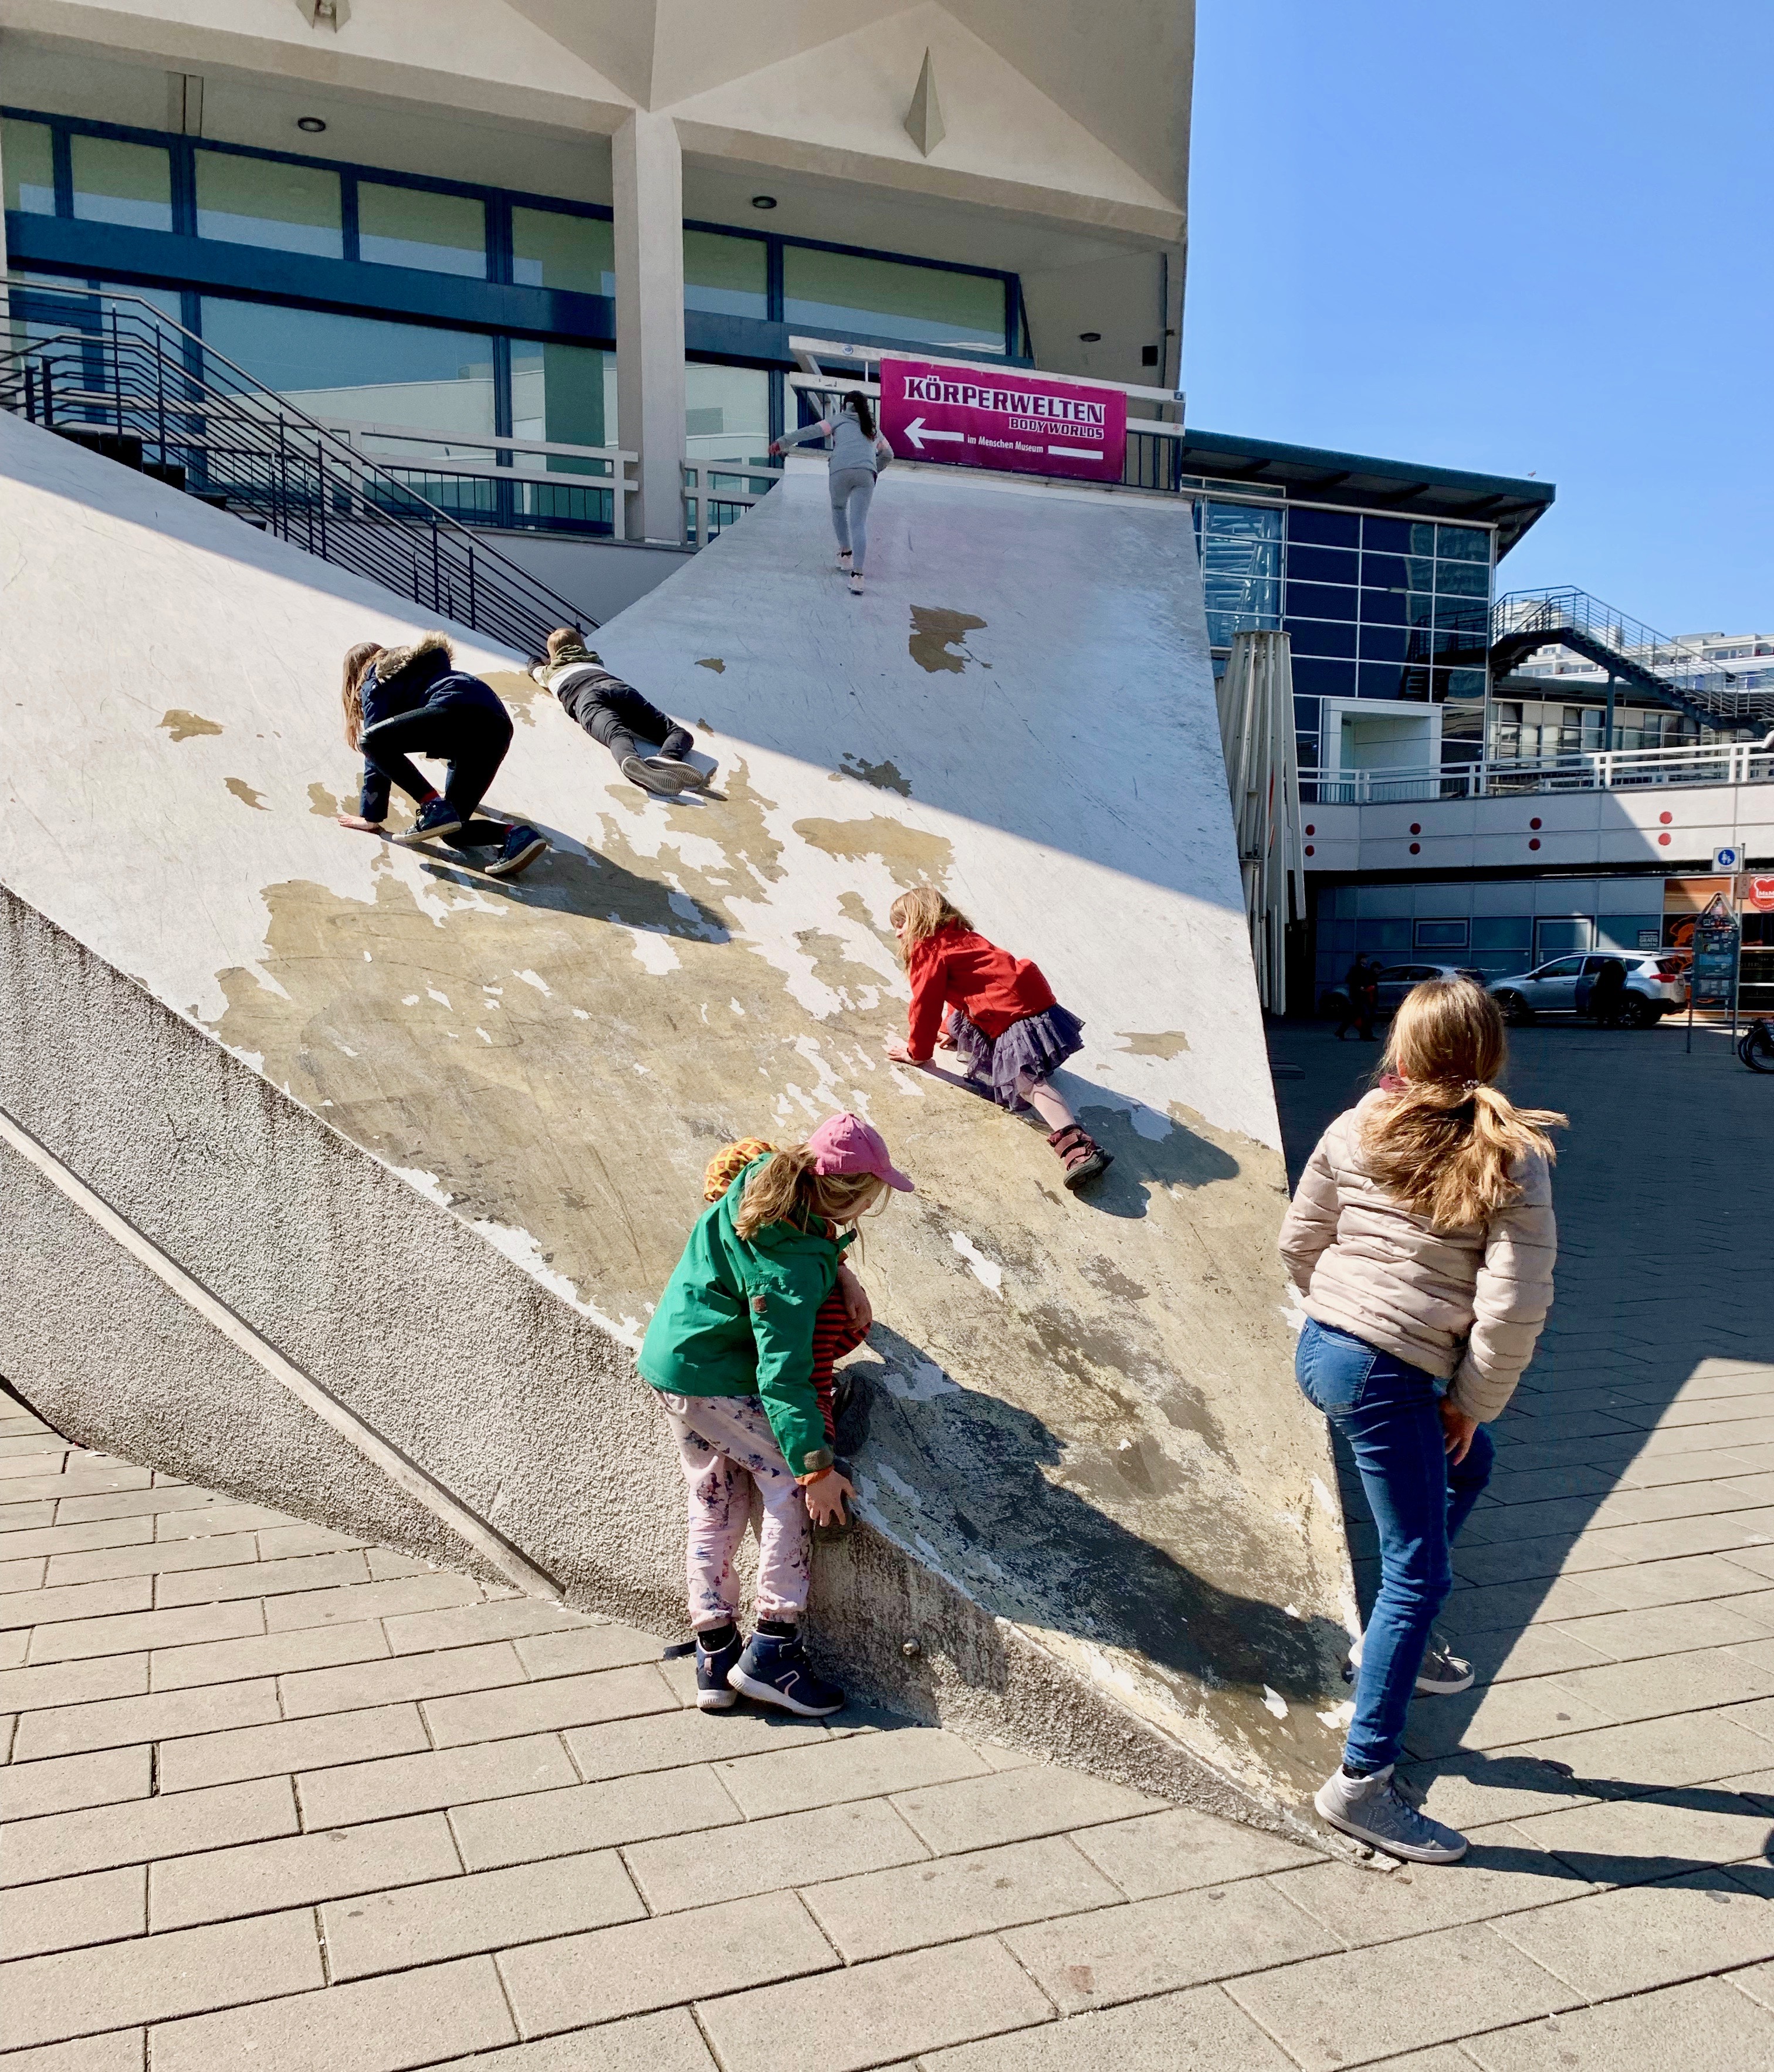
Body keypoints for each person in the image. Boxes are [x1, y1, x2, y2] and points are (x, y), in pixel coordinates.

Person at [1279, 977, 1562, 1864]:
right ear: (1488, 1054)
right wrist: (1466, 1402)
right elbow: (1514, 1308)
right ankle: (1361, 1784)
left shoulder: (1354, 1124)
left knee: (1470, 1469)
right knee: (1417, 1572)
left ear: (1402, 1051)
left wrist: (1343, 1314)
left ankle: (1396, 1648)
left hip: (1328, 1351)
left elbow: (1297, 1243)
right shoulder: (1512, 1157)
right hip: (1391, 1374)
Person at [638, 1113, 913, 1715]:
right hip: (719, 1381)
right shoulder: (787, 1273)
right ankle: (774, 1650)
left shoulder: (766, 1173)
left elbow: (787, 1224)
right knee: (788, 1484)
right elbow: (782, 1376)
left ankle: (715, 1651)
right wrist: (815, 1466)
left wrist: (839, 1269)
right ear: (854, 1197)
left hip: (674, 1361)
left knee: (714, 1498)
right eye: (874, 1192)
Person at [883, 886, 1112, 1190]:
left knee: (1026, 1083)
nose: (899, 934)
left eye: (902, 924)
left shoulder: (928, 948)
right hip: (1031, 1002)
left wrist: (918, 1052)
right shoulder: (962, 936)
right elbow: (971, 987)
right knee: (999, 1052)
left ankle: (1081, 1151)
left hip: (1012, 1013)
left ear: (920, 918)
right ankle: (1030, 1061)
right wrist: (951, 1029)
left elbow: (925, 1003)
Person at [700, 1136, 873, 1449]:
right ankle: (826, 1430)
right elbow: (792, 1374)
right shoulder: (792, 1269)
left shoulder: (745, 1225)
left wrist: (846, 1277)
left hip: (724, 1358)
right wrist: (817, 1459)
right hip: (771, 1355)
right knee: (817, 1359)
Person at [335, 637, 549, 879]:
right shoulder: (421, 669)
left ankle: (433, 806)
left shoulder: (376, 677)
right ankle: (516, 835)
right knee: (453, 828)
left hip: (457, 710)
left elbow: (375, 746)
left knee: (371, 741)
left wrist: (370, 816)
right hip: (495, 727)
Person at [530, 628, 712, 799]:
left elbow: (534, 669)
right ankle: (669, 757)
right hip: (617, 687)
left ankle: (630, 759)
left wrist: (536, 660)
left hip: (585, 698)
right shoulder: (594, 660)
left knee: (616, 734)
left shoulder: (549, 672)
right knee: (676, 732)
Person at [768, 391, 893, 595]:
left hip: (840, 471)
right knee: (859, 523)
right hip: (865, 474)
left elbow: (810, 432)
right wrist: (874, 470)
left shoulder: (837, 420)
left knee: (838, 508)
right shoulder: (873, 429)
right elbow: (888, 454)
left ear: (845, 405)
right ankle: (858, 576)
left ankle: (846, 554)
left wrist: (782, 442)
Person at [1336, 954, 1380, 1041]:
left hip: (1362, 995)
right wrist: (1359, 987)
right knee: (1364, 1015)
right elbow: (1350, 980)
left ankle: (1341, 1032)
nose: (1366, 960)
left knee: (1354, 1015)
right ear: (1361, 960)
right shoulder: (1356, 969)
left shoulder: (1365, 969)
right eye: (1365, 959)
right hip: (1358, 995)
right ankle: (1366, 1035)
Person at [1587, 957, 1627, 1027]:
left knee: (1602, 1007)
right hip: (1614, 990)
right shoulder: (1619, 968)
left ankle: (1601, 1021)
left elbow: (1598, 978)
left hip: (1602, 990)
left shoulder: (1604, 968)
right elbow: (1623, 976)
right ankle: (1611, 1021)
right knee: (1613, 1007)